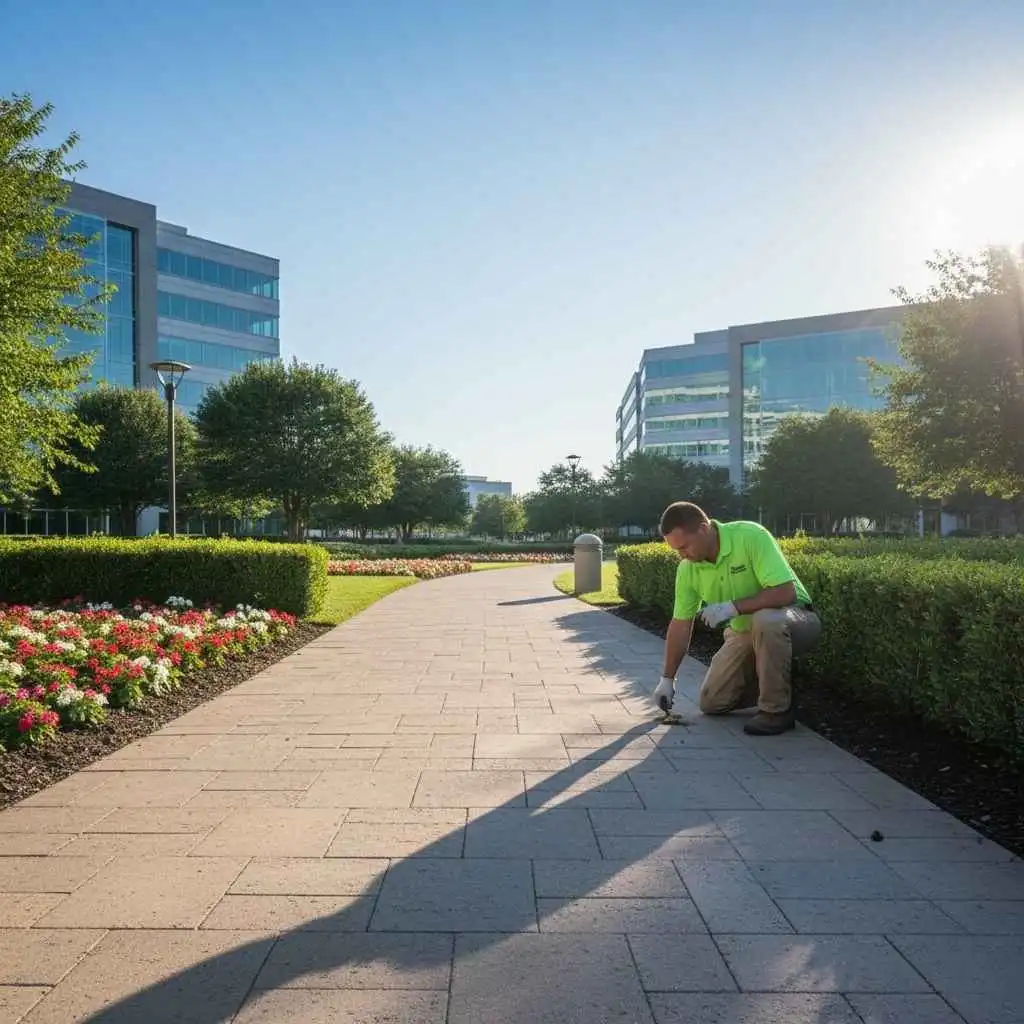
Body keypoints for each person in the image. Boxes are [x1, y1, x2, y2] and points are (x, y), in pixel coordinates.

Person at [652, 501, 821, 736]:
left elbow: (785, 593)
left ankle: (776, 711)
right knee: (712, 702)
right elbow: (681, 624)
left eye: (685, 547)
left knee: (766, 620)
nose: (683, 555)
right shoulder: (688, 569)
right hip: (744, 633)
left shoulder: (750, 536)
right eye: (676, 550)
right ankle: (776, 684)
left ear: (703, 529)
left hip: (795, 620)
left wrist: (733, 607)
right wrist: (667, 679)